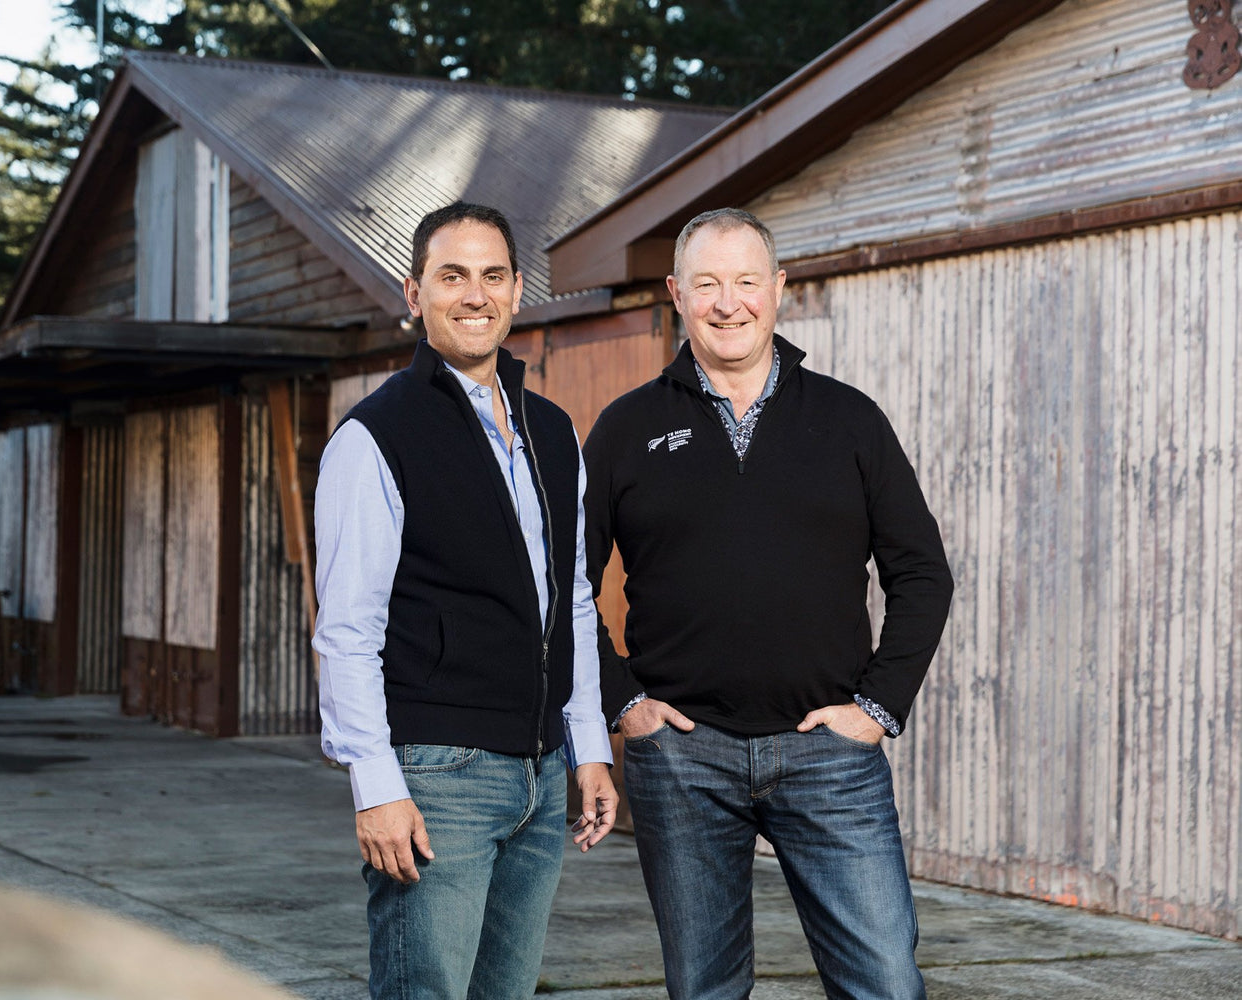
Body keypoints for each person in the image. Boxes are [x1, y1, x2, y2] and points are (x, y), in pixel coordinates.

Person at [583, 208, 954, 1000]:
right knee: (705, 989)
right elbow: (565, 586)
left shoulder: (849, 420)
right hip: (682, 758)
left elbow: (922, 572)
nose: (729, 303)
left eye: (747, 281)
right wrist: (624, 702)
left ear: (779, 289)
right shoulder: (628, 428)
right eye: (708, 284)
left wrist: (878, 707)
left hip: (830, 756)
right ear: (677, 294)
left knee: (886, 983)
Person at [313, 201, 618, 1000]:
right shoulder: (374, 436)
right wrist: (374, 784)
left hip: (542, 775)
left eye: (491, 276)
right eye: (452, 277)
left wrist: (587, 744)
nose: (474, 295)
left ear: (518, 291)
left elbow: (573, 601)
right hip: (437, 776)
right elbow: (346, 629)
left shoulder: (552, 430)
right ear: (413, 294)